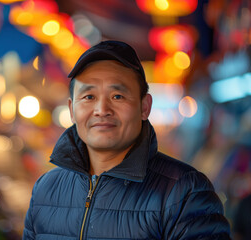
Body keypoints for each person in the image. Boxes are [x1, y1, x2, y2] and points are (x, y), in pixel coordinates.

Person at [23, 40, 231, 239]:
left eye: (117, 96)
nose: (102, 110)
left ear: (144, 107)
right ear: (72, 109)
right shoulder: (46, 189)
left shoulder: (185, 192)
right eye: (89, 97)